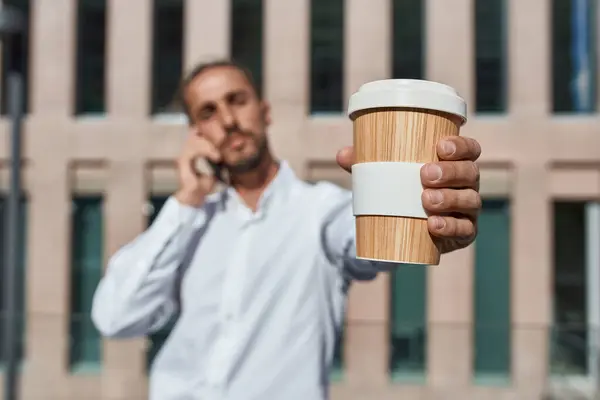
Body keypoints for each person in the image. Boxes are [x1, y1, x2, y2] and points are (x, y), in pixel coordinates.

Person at [91, 60, 482, 400]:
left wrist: (424, 207)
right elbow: (116, 317)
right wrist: (187, 199)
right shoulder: (187, 222)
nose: (228, 121)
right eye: (208, 112)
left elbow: (361, 238)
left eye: (237, 101)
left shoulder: (320, 210)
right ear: (196, 134)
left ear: (264, 111)